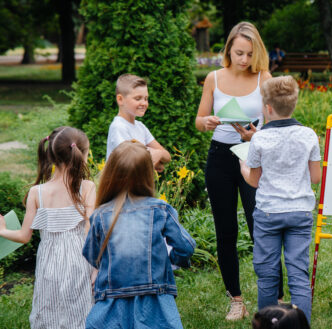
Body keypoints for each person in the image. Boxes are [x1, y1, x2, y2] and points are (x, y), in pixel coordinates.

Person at [195, 21, 282, 321]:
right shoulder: (213, 78)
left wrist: (255, 135)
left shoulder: (264, 78)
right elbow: (199, 118)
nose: (244, 60)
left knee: (262, 227)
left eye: (249, 54)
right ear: (229, 49)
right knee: (226, 230)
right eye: (239, 53)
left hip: (254, 156)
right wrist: (205, 122)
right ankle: (236, 300)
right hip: (219, 157)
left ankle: (276, 297)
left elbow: (275, 124)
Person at [83, 141, 196, 329]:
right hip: (154, 301)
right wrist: (172, 260)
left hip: (112, 301)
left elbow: (92, 256)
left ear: (111, 174)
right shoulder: (160, 209)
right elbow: (186, 246)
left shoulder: (100, 215)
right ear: (147, 174)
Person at [240, 76, 321, 323]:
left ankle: (267, 325)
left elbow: (253, 181)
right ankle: (300, 325)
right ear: (293, 105)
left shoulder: (259, 139)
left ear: (267, 108)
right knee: (298, 274)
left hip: (268, 214)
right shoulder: (309, 135)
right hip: (300, 212)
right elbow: (316, 177)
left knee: (267, 275)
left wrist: (243, 162)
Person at [0, 126, 95, 329]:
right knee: (80, 311)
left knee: (49, 308)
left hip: (49, 264)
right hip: (80, 260)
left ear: (51, 156)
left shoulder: (37, 192)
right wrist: (96, 268)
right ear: (82, 155)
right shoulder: (87, 187)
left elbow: (24, 236)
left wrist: (1, 230)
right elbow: (91, 231)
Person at [106, 73, 171, 172]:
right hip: (122, 186)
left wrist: (159, 154)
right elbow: (130, 161)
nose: (144, 103)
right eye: (138, 98)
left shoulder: (141, 127)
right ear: (120, 99)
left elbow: (167, 156)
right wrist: (151, 157)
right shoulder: (118, 127)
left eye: (146, 98)